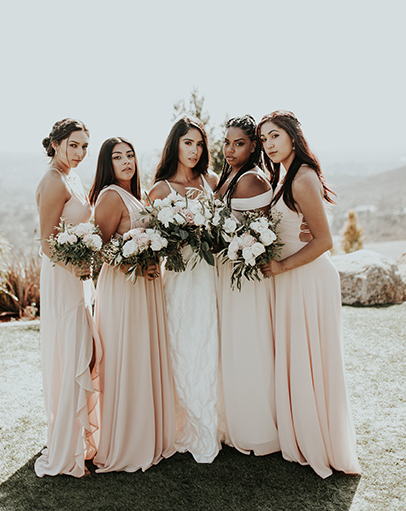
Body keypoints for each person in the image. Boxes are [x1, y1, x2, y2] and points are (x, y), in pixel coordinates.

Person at [258, 110, 361, 478]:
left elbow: (325, 241)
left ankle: (320, 441)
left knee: (312, 359)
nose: (269, 144)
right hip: (292, 278)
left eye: (275, 136)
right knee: (298, 357)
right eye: (264, 139)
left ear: (292, 136)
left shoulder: (301, 178)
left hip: (307, 279)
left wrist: (282, 267)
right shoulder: (286, 175)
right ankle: (303, 433)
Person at [90, 137, 176, 473]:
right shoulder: (111, 195)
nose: (127, 161)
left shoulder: (136, 196)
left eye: (130, 155)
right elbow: (100, 246)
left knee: (143, 355)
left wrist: (152, 260)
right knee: (126, 355)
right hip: (124, 287)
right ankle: (125, 439)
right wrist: (131, 264)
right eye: (118, 157)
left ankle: (147, 432)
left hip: (146, 287)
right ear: (107, 163)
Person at [149, 116, 220, 463]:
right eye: (187, 143)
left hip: (209, 276)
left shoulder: (211, 181)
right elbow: (150, 241)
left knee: (211, 341)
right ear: (175, 144)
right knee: (183, 343)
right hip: (179, 279)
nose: (194, 151)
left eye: (199, 144)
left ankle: (215, 422)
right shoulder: (161, 189)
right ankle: (184, 421)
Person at [35, 118, 101, 478]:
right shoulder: (53, 181)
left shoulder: (72, 177)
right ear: (57, 143)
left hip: (78, 275)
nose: (80, 152)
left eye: (84, 146)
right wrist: (74, 268)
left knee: (82, 350)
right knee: (70, 354)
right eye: (73, 145)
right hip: (63, 278)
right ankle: (67, 452)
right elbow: (45, 242)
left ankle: (78, 441)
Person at [215, 115, 280, 456]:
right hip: (228, 275)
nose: (230, 149)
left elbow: (262, 233)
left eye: (238, 143)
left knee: (247, 344)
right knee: (233, 345)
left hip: (246, 279)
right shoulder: (231, 174)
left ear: (254, 146)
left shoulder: (252, 180)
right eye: (226, 142)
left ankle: (255, 428)